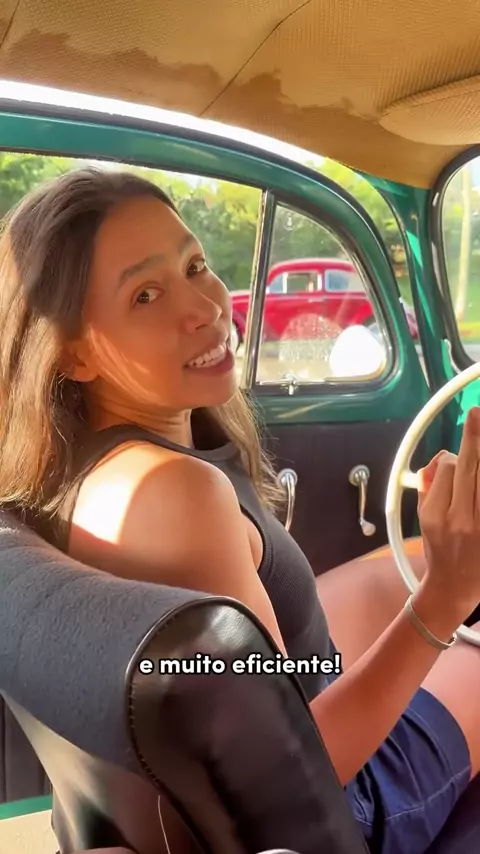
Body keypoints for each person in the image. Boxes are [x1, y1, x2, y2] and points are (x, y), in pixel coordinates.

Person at [0, 167, 479, 854]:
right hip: (355, 797)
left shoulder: (66, 472)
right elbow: (301, 779)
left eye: (194, 266)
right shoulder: (173, 494)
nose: (204, 306)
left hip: (272, 707)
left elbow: (242, 680)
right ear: (72, 355)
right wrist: (445, 599)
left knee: (395, 564)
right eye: (145, 294)